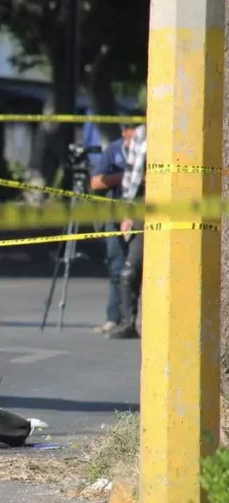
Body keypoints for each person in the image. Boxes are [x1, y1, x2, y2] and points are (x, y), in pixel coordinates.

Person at [88, 122, 140, 335]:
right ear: (124, 131)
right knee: (117, 266)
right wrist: (124, 175)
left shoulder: (148, 149)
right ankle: (114, 317)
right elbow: (96, 182)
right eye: (131, 133)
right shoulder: (114, 150)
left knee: (133, 268)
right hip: (114, 214)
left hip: (139, 217)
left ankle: (131, 319)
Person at [108, 123, 147, 340]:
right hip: (141, 208)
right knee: (129, 270)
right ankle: (127, 322)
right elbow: (131, 177)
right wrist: (127, 213)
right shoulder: (141, 135)